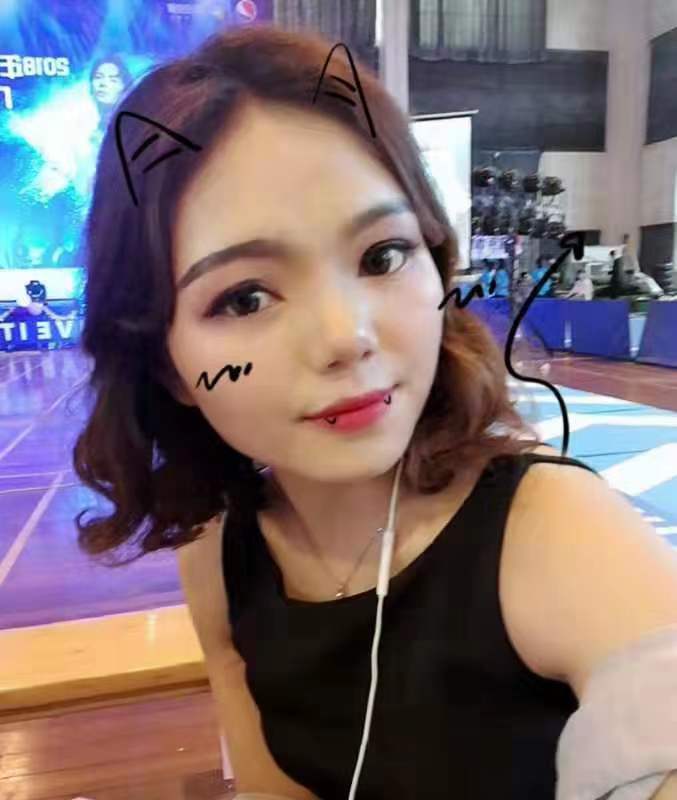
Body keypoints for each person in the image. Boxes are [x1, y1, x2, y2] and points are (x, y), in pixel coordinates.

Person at [71, 24, 677, 800]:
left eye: (381, 256)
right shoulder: (220, 555)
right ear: (168, 365)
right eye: (245, 297)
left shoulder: (553, 532)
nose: (344, 336)